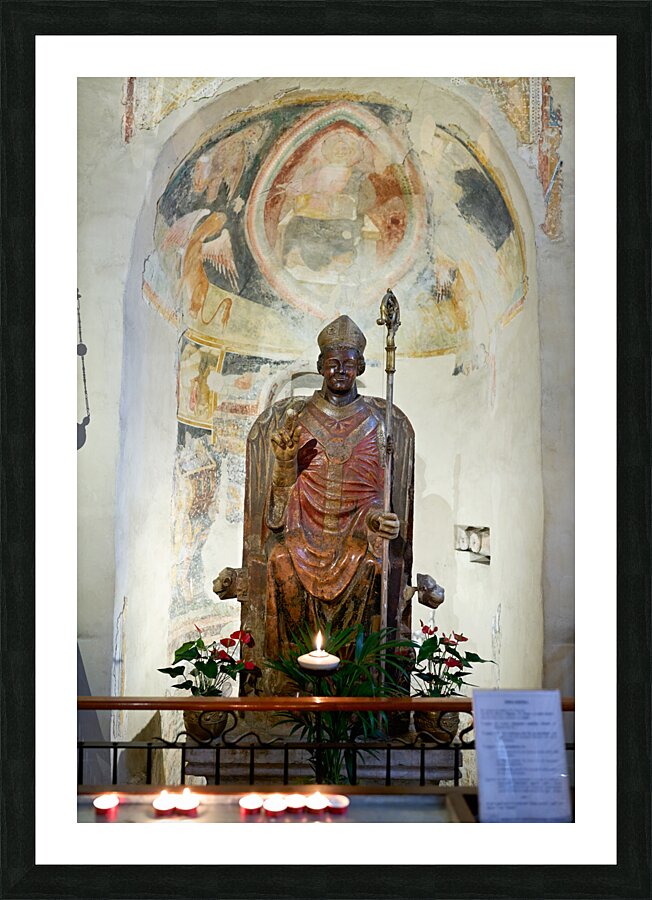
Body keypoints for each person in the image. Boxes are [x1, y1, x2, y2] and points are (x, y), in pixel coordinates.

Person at [264, 315, 401, 655]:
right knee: (279, 560)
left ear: (361, 368)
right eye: (332, 364)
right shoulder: (298, 416)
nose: (340, 371)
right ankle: (289, 673)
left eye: (349, 365)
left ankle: (354, 672)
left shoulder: (374, 425)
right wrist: (283, 465)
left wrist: (379, 520)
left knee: (372, 567)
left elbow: (373, 496)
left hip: (352, 539)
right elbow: (283, 500)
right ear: (320, 366)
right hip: (304, 534)